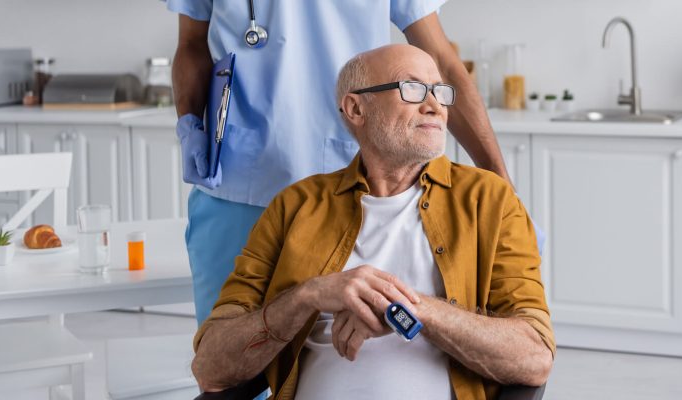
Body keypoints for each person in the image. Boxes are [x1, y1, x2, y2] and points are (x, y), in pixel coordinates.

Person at [191, 44, 554, 400]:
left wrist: (407, 310)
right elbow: (211, 368)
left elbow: (533, 357)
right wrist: (309, 296)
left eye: (440, 92)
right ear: (355, 108)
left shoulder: (488, 199)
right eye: (412, 89)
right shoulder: (295, 206)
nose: (435, 106)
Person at [168, 0, 511, 325]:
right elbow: (191, 44)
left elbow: (441, 59)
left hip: (353, 188)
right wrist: (189, 123)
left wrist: (502, 190)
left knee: (348, 354)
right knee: (230, 360)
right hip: (237, 186)